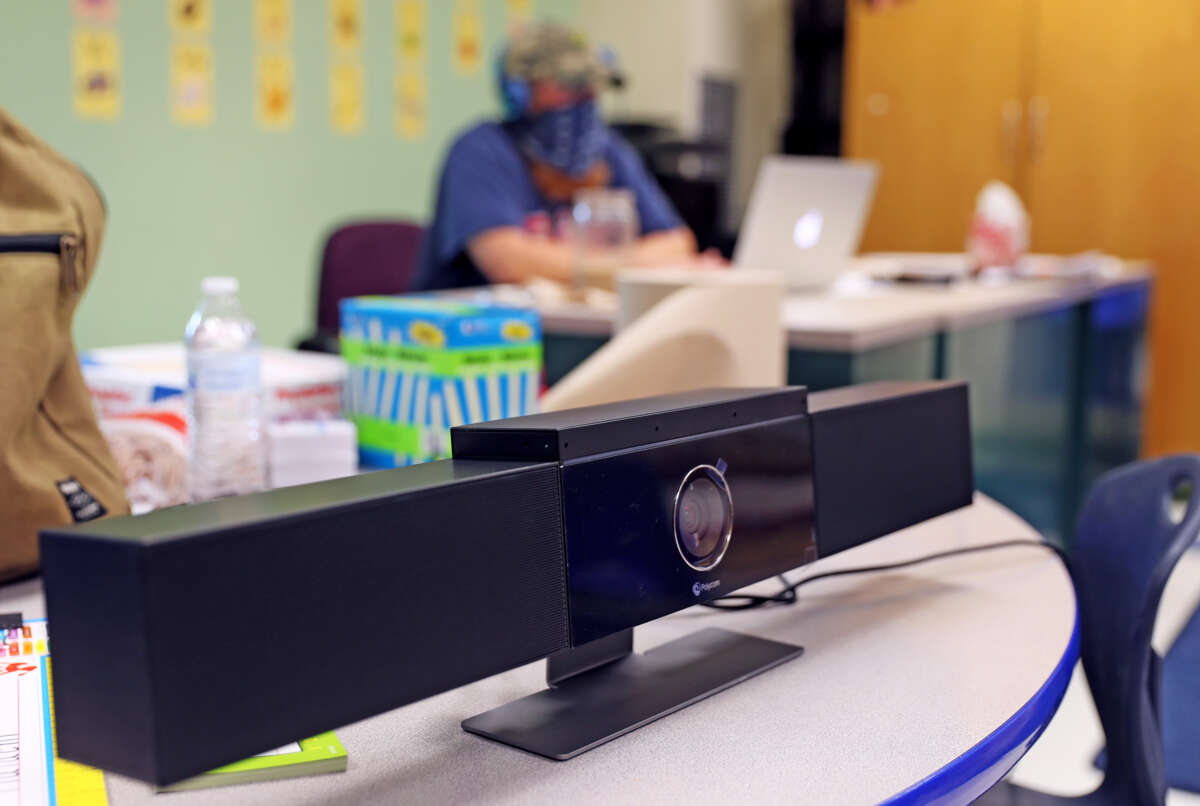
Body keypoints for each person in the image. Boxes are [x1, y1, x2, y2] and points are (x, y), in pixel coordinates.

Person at [415, 23, 705, 291]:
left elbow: (677, 243)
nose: (587, 99)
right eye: (571, 87)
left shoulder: (608, 150)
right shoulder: (480, 150)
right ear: (519, 93)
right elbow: (508, 263)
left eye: (592, 87)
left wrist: (578, 268)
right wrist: (629, 267)